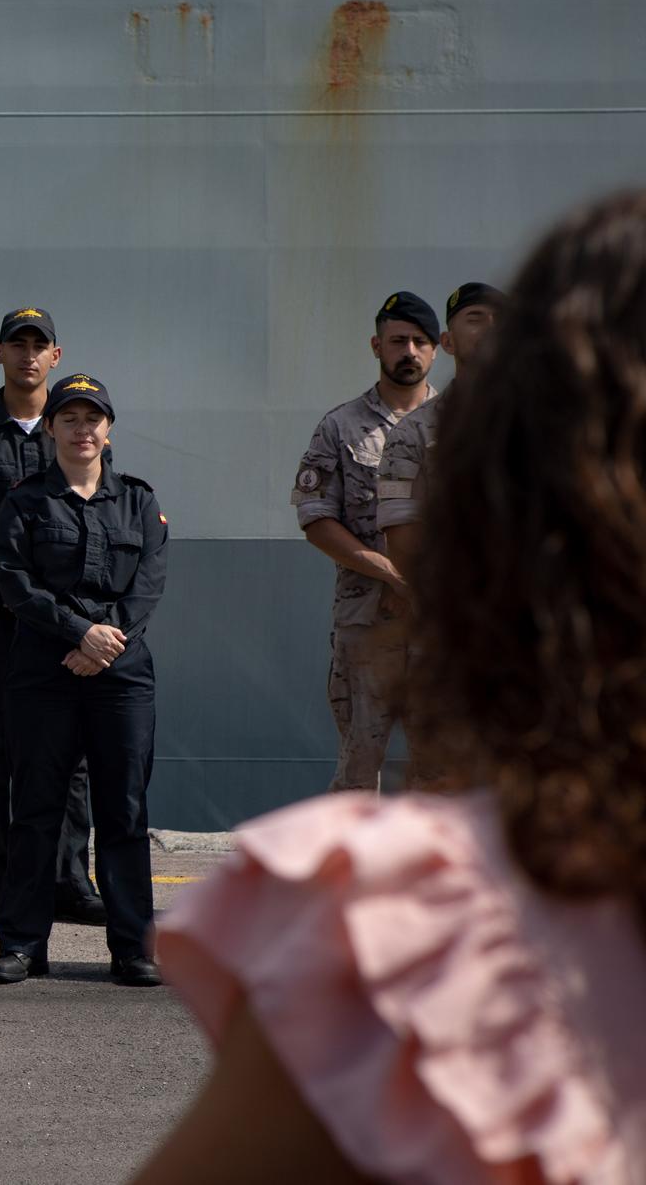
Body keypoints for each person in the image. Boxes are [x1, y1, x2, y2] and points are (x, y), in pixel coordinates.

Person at [134, 193, 646, 1184]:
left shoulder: (383, 918)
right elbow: (322, 519)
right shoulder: (355, 425)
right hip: (378, 627)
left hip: (443, 700)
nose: (424, 346)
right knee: (368, 764)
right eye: (414, 332)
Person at [0, 375, 169, 987]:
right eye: (70, 418)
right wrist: (76, 633)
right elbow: (14, 580)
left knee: (125, 809)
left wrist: (102, 640)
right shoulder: (26, 501)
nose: (82, 428)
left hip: (120, 671)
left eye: (93, 418)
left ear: (108, 429)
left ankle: (133, 949)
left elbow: (146, 586)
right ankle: (22, 944)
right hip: (44, 670)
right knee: (36, 807)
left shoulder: (140, 502)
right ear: (54, 428)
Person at [0, 307, 102, 930]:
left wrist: (62, 612)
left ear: (56, 357)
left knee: (70, 753)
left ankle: (69, 879)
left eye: (40, 345)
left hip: (65, 622)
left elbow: (95, 518)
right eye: (17, 345)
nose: (28, 356)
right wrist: (24, 595)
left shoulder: (76, 426)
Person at [290, 292, 439, 793]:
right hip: (366, 621)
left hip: (441, 624)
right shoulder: (340, 426)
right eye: (398, 340)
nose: (410, 351)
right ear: (376, 345)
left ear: (438, 349)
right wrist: (390, 572)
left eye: (420, 341)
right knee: (359, 766)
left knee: (440, 767)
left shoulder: (464, 423)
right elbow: (315, 518)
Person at [376, 283, 503, 586]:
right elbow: (402, 537)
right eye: (475, 318)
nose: (491, 328)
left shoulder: (550, 423)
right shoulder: (412, 432)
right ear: (447, 342)